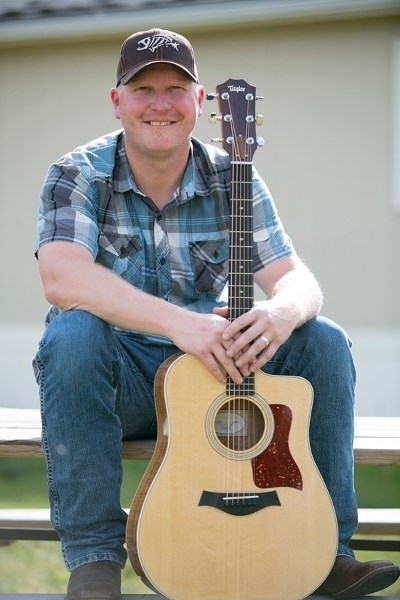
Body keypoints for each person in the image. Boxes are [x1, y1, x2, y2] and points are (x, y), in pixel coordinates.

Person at [34, 28, 399, 600]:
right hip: (119, 382)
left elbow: (296, 278)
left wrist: (280, 313)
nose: (160, 103)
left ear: (200, 102)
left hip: (216, 378)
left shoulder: (235, 174)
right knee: (72, 334)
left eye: (176, 89)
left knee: (322, 338)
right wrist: (180, 323)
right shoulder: (79, 173)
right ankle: (94, 564)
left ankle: (329, 553)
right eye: (144, 89)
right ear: (117, 101)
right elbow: (61, 277)